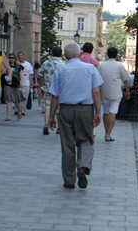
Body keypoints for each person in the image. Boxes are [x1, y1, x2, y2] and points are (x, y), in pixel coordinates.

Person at [48, 43, 103, 189]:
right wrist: (98, 112)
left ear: (65, 56)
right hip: (85, 109)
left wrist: (51, 117)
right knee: (86, 140)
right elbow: (96, 92)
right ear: (80, 54)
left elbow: (54, 96)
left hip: (65, 110)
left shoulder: (60, 71)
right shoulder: (90, 69)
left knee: (67, 145)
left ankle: (69, 180)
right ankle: (83, 165)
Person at [98, 47, 130, 142]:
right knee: (113, 113)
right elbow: (125, 80)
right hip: (115, 93)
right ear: (116, 55)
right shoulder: (119, 65)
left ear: (107, 55)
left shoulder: (101, 66)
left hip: (104, 92)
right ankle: (108, 134)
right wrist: (127, 91)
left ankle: (106, 132)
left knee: (106, 113)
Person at [38, 46, 66, 135]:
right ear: (61, 54)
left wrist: (41, 86)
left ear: (52, 53)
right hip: (59, 90)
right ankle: (59, 127)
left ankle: (46, 125)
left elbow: (41, 75)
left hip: (47, 88)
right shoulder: (63, 64)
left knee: (47, 107)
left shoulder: (46, 63)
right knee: (59, 108)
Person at [3, 53, 24, 121]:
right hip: (7, 83)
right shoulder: (6, 65)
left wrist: (21, 82)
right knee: (8, 100)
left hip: (15, 84)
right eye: (10, 58)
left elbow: (21, 75)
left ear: (15, 59)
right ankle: (8, 116)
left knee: (16, 100)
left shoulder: (18, 66)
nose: (11, 59)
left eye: (13, 58)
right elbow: (2, 72)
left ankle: (19, 111)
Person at [17, 51, 34, 115]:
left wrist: (31, 82)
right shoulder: (17, 64)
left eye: (21, 56)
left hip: (26, 82)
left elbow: (30, 74)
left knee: (25, 97)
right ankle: (18, 109)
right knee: (18, 97)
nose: (20, 57)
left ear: (24, 56)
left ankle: (23, 110)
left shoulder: (28, 64)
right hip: (18, 83)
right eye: (19, 56)